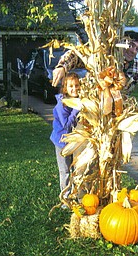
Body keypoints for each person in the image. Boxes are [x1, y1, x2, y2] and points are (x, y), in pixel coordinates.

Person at [52, 30, 138, 121]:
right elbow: (76, 55)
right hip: (93, 115)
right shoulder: (103, 56)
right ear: (122, 43)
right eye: (130, 45)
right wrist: (62, 66)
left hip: (118, 118)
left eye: (137, 48)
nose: (133, 50)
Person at [50, 72, 80, 206]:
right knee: (65, 170)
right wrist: (76, 110)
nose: (74, 88)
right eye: (71, 86)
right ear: (65, 88)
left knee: (76, 168)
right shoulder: (62, 105)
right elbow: (67, 126)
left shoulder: (76, 100)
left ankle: (75, 194)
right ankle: (65, 199)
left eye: (77, 85)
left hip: (74, 141)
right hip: (62, 142)